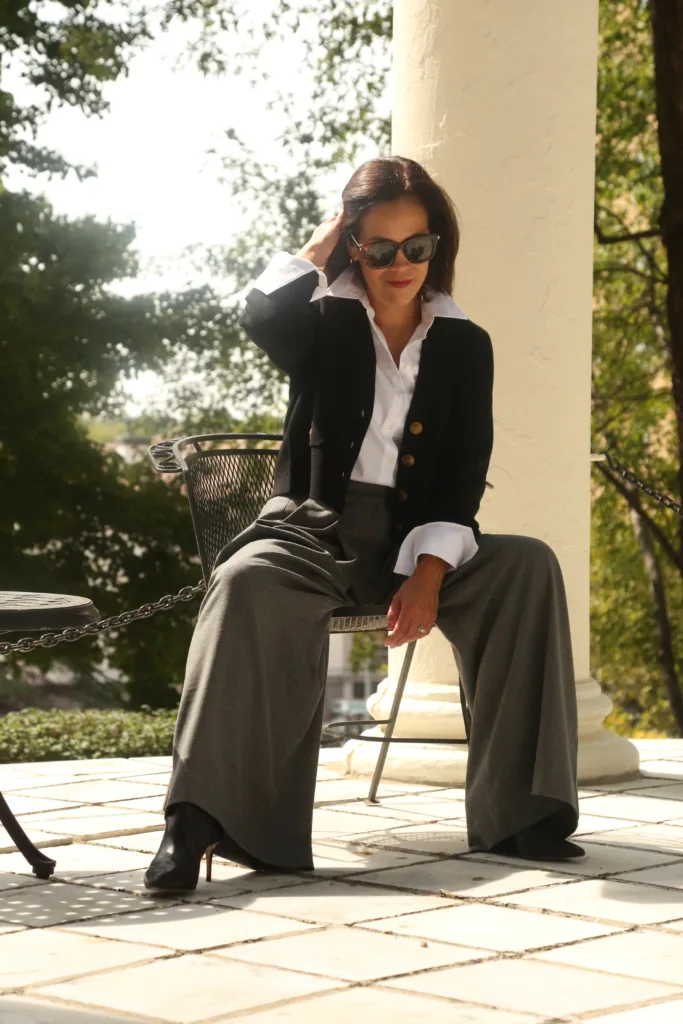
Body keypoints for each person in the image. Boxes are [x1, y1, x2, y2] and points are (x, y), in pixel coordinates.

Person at [144, 155, 582, 894]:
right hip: (313, 535)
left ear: (435, 245)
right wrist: (329, 236)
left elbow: (459, 475)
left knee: (528, 566)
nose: (400, 263)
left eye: (417, 245)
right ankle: (197, 820)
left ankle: (523, 813)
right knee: (244, 580)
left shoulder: (465, 345)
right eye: (379, 248)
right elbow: (259, 312)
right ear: (355, 247)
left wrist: (430, 574)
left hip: (415, 541)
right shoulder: (321, 325)